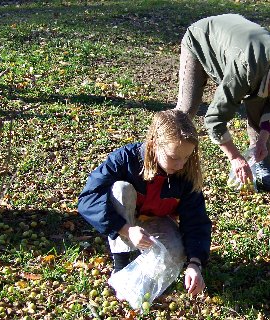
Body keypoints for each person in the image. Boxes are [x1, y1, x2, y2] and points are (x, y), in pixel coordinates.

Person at [77, 109, 212, 297]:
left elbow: (196, 221)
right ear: (153, 144)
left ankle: (137, 278)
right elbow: (87, 199)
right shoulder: (125, 159)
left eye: (187, 157)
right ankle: (121, 264)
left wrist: (195, 263)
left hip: (157, 221)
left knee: (175, 252)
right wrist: (126, 229)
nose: (181, 164)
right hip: (127, 222)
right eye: (174, 157)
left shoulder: (185, 174)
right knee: (120, 189)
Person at [176, 13, 270, 191]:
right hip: (201, 38)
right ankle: (164, 157)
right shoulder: (244, 70)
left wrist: (261, 143)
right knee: (186, 110)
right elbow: (214, 119)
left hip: (242, 47)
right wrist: (235, 158)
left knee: (261, 104)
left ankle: (262, 165)